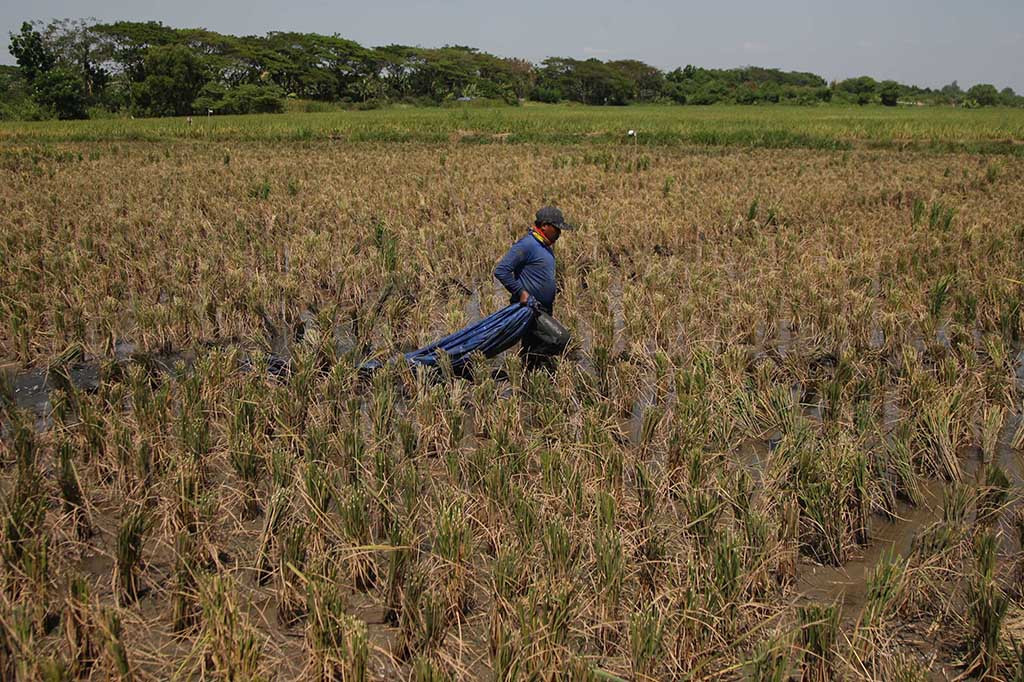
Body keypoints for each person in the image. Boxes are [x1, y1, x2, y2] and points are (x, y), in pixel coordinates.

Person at [494, 206, 574, 367]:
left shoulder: (545, 246)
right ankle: (528, 361)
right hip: (529, 309)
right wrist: (521, 292)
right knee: (562, 340)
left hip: (543, 308)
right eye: (556, 228)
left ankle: (529, 376)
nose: (559, 233)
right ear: (544, 225)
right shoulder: (527, 245)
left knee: (534, 346)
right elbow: (501, 270)